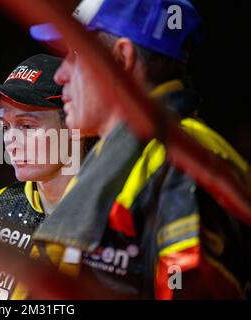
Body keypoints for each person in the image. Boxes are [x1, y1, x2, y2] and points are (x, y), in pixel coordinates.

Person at [29, 0, 251, 299]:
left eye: (74, 55)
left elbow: (184, 288)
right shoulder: (122, 153)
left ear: (121, 59)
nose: (60, 75)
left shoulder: (182, 160)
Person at [0, 53, 94, 299]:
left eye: (26, 126)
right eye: (4, 127)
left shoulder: (109, 209)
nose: (10, 142)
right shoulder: (5, 205)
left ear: (75, 127)